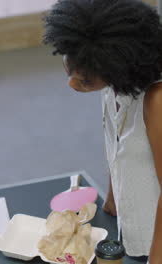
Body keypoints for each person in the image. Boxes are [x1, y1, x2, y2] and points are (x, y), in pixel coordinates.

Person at [44, 0, 162, 261]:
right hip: (129, 227)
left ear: (121, 68)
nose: (72, 84)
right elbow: (117, 141)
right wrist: (113, 196)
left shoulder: (156, 101)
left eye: (85, 80)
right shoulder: (113, 81)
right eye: (68, 68)